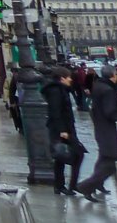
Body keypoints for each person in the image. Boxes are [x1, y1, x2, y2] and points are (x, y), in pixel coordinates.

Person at [77, 64, 117, 202]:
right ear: (113, 76)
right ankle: (85, 186)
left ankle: (96, 185)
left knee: (104, 160)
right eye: (116, 74)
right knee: (110, 163)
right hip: (109, 131)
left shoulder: (99, 86)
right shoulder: (108, 90)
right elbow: (110, 112)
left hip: (102, 129)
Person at [45, 67, 86, 197]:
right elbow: (55, 111)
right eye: (68, 77)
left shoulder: (61, 89)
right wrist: (62, 130)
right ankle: (71, 185)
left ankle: (60, 186)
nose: (71, 79)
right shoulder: (56, 91)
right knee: (77, 154)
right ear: (62, 78)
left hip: (65, 128)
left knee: (60, 157)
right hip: (62, 129)